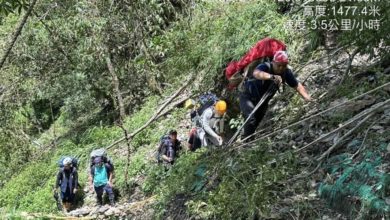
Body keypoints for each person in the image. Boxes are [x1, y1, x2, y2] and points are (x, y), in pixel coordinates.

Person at [239, 51, 311, 141]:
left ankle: (246, 141)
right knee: (251, 118)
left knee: (254, 123)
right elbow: (256, 73)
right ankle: (247, 144)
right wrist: (271, 77)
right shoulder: (265, 66)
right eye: (278, 65)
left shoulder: (286, 73)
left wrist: (307, 98)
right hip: (247, 96)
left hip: (263, 102)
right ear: (273, 62)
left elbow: (297, 85)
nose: (281, 68)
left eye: (283, 66)